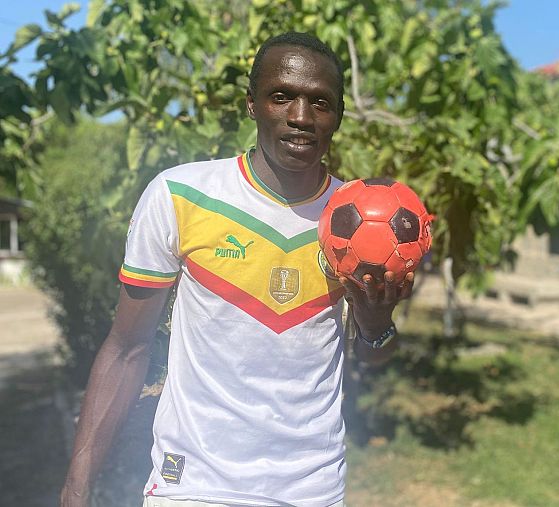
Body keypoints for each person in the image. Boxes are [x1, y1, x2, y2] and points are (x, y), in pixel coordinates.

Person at [60, 32, 411, 507]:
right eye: (281, 96)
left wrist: (376, 323)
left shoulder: (362, 221)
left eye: (320, 102)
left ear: (339, 115)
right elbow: (126, 348)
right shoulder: (181, 195)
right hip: (192, 487)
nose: (301, 116)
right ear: (251, 104)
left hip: (311, 490)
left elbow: (375, 358)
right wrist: (76, 487)